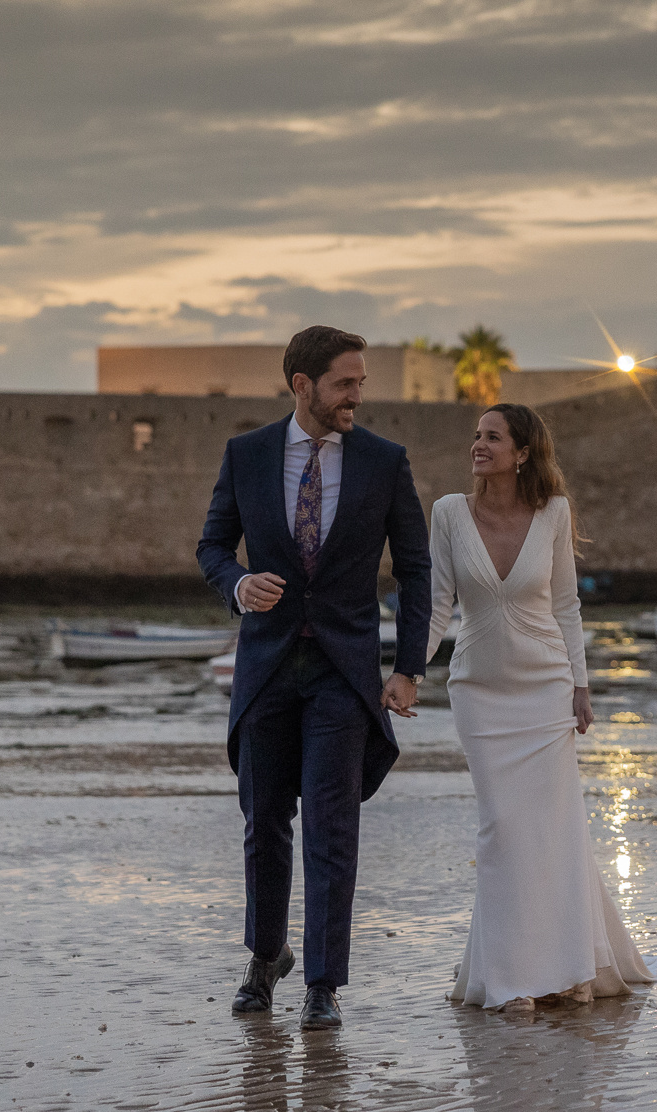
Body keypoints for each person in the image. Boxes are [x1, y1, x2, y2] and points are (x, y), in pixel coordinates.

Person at [197, 326, 432, 1031]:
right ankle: (265, 960)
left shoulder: (384, 462)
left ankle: (323, 984)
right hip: (266, 667)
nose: (356, 395)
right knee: (264, 820)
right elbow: (213, 546)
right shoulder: (246, 454)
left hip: (342, 672)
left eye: (361, 382)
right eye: (344, 383)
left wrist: (409, 668)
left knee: (333, 828)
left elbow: (415, 570)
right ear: (302, 385)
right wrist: (238, 585)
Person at [427, 402, 657, 1012]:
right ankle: (511, 977)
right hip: (479, 691)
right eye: (477, 435)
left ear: (522, 453)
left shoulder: (554, 514)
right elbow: (436, 604)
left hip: (545, 688)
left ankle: (569, 970)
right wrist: (407, 671)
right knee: (501, 828)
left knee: (553, 830)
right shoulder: (449, 513)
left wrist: (580, 686)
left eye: (493, 437)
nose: (478, 445)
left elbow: (566, 605)